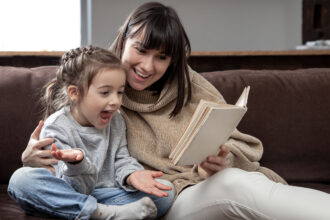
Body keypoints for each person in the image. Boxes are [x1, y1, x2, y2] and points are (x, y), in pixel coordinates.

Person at [9, 2, 330, 220]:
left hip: (176, 191)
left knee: (237, 183)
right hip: (125, 194)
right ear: (124, 40)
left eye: (162, 57)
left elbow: (237, 142)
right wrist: (31, 158)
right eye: (141, 50)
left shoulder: (189, 85)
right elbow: (54, 144)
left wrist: (221, 159)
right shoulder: (92, 77)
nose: (148, 66)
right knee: (23, 179)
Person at [8, 46, 175, 220]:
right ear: (75, 93)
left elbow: (121, 159)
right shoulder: (56, 128)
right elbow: (71, 187)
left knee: (165, 192)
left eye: (120, 92)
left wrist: (132, 174)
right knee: (21, 180)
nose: (115, 101)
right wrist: (77, 164)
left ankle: (81, 212)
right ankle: (104, 214)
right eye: (105, 93)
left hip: (105, 194)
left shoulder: (116, 120)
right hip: (70, 192)